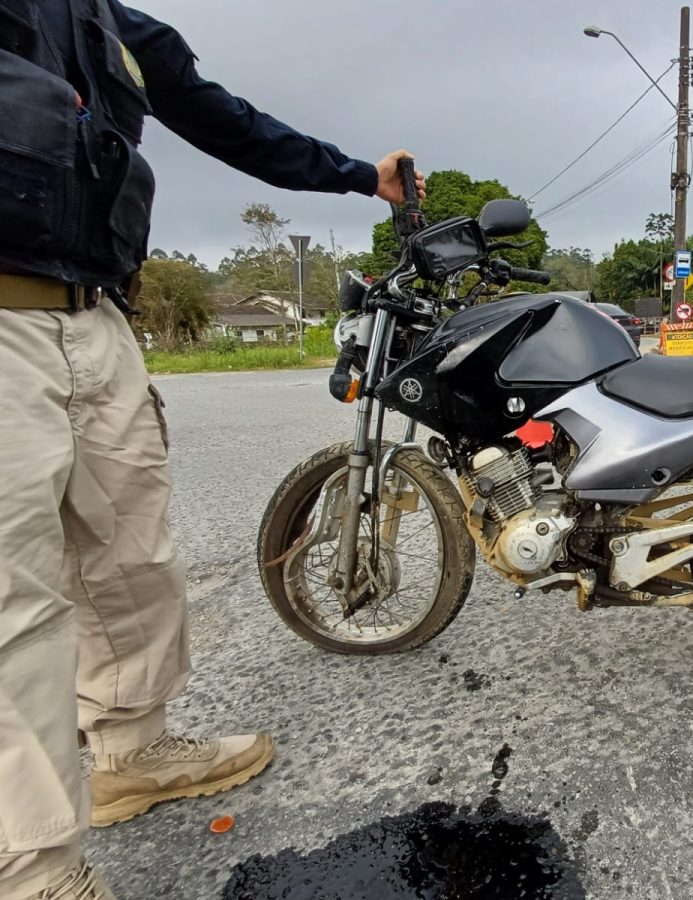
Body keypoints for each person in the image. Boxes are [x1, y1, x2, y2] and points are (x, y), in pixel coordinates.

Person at [0, 3, 425, 898]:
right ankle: (35, 870)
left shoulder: (105, 18)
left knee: (130, 559)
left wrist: (361, 178)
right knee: (15, 604)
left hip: (93, 311)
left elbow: (221, 115)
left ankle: (129, 750)